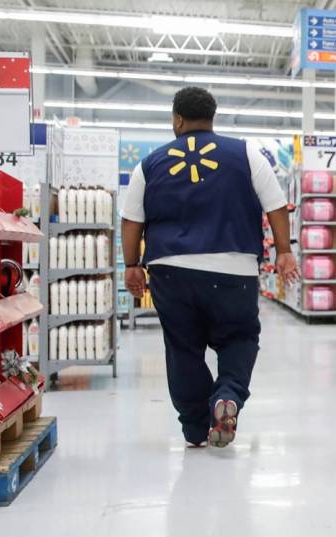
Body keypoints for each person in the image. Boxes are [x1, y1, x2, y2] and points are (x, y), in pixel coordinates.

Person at [120, 87, 299, 448]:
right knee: (240, 337)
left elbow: (131, 220)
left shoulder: (149, 164)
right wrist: (284, 251)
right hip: (233, 269)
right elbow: (276, 205)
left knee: (183, 347)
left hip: (170, 270)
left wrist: (132, 265)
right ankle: (227, 396)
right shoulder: (247, 153)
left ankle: (194, 429)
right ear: (212, 118)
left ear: (177, 120)